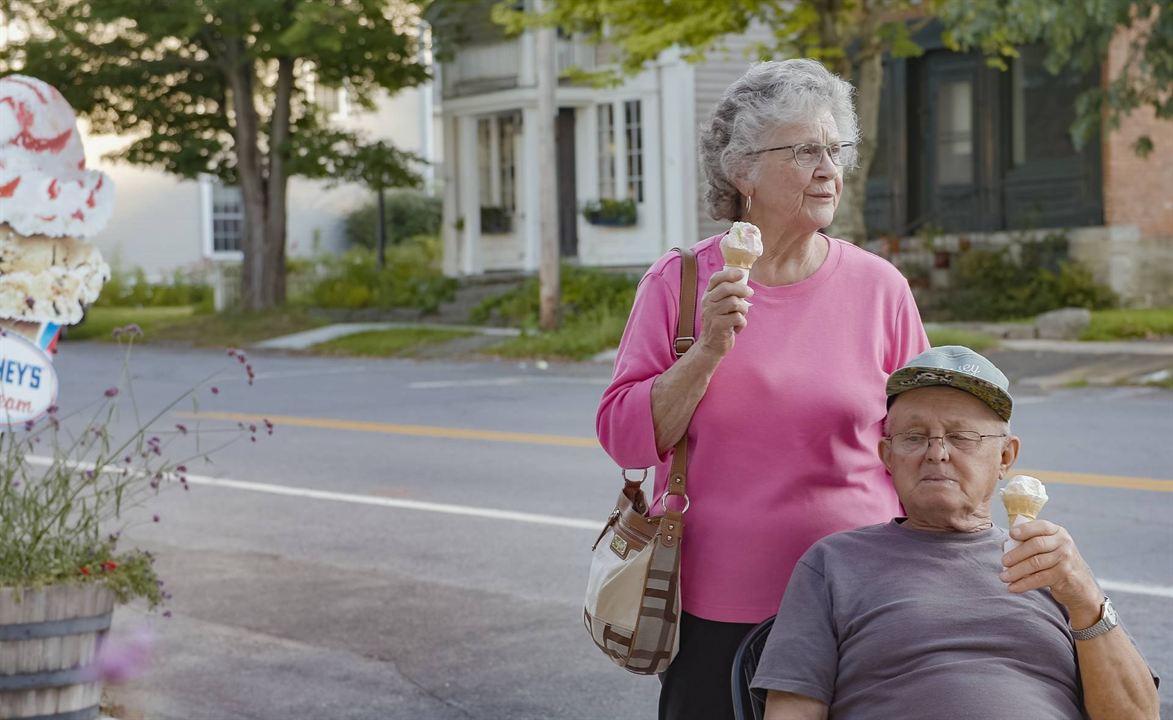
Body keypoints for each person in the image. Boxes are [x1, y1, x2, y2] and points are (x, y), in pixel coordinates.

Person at [595, 58, 929, 720]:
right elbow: (623, 434)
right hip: (721, 608)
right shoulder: (680, 283)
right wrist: (709, 350)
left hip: (856, 599)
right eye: (805, 150)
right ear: (742, 170)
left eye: (835, 149)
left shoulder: (879, 287)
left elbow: (917, 436)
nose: (828, 167)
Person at [752, 346, 1160, 720]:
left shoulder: (1051, 565)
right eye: (914, 437)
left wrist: (1086, 598)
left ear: (1005, 457)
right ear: (887, 457)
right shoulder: (833, 564)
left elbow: (1137, 716)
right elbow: (793, 710)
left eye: (962, 437)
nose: (937, 452)